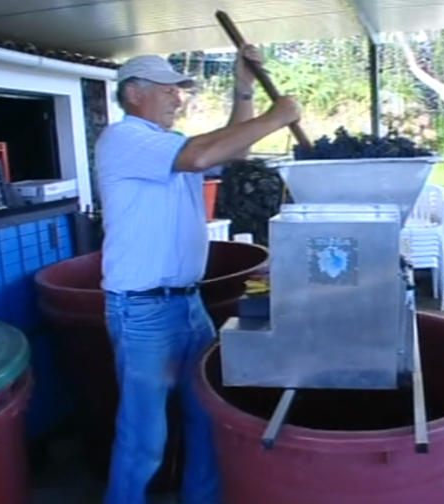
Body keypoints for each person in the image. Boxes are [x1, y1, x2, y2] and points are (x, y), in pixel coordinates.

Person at [95, 47, 301, 504]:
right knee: (144, 438)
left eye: (179, 89)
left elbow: (235, 147)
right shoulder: (125, 138)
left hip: (187, 305)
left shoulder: (172, 145)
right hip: (143, 311)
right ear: (133, 93)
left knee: (207, 419)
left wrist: (244, 85)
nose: (177, 97)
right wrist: (278, 115)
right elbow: (201, 153)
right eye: (166, 88)